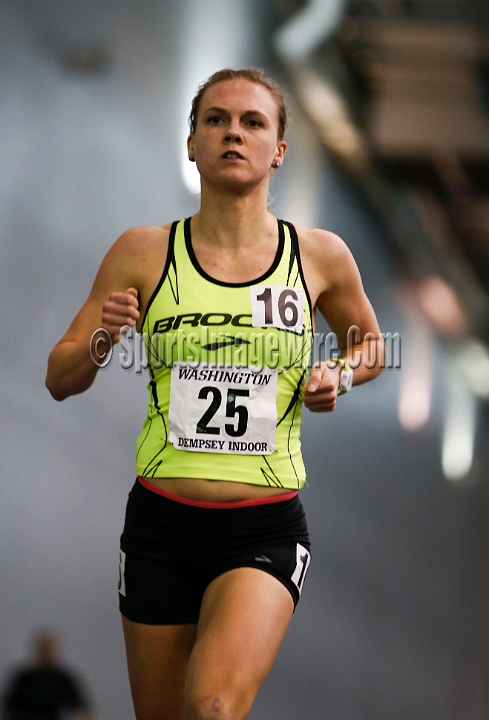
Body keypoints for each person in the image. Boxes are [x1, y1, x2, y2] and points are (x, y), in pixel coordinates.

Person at [45, 67, 383, 720]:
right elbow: (59, 377)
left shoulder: (316, 256)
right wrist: (103, 340)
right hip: (159, 527)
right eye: (217, 120)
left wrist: (337, 373)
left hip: (262, 526)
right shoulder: (143, 252)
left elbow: (368, 345)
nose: (234, 133)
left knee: (215, 707)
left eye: (253, 122)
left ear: (278, 150)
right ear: (192, 142)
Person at [2, 630, 91, 720]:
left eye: (51, 650)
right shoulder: (24, 679)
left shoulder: (64, 680)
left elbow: (82, 709)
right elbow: (8, 708)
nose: (48, 654)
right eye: (44, 650)